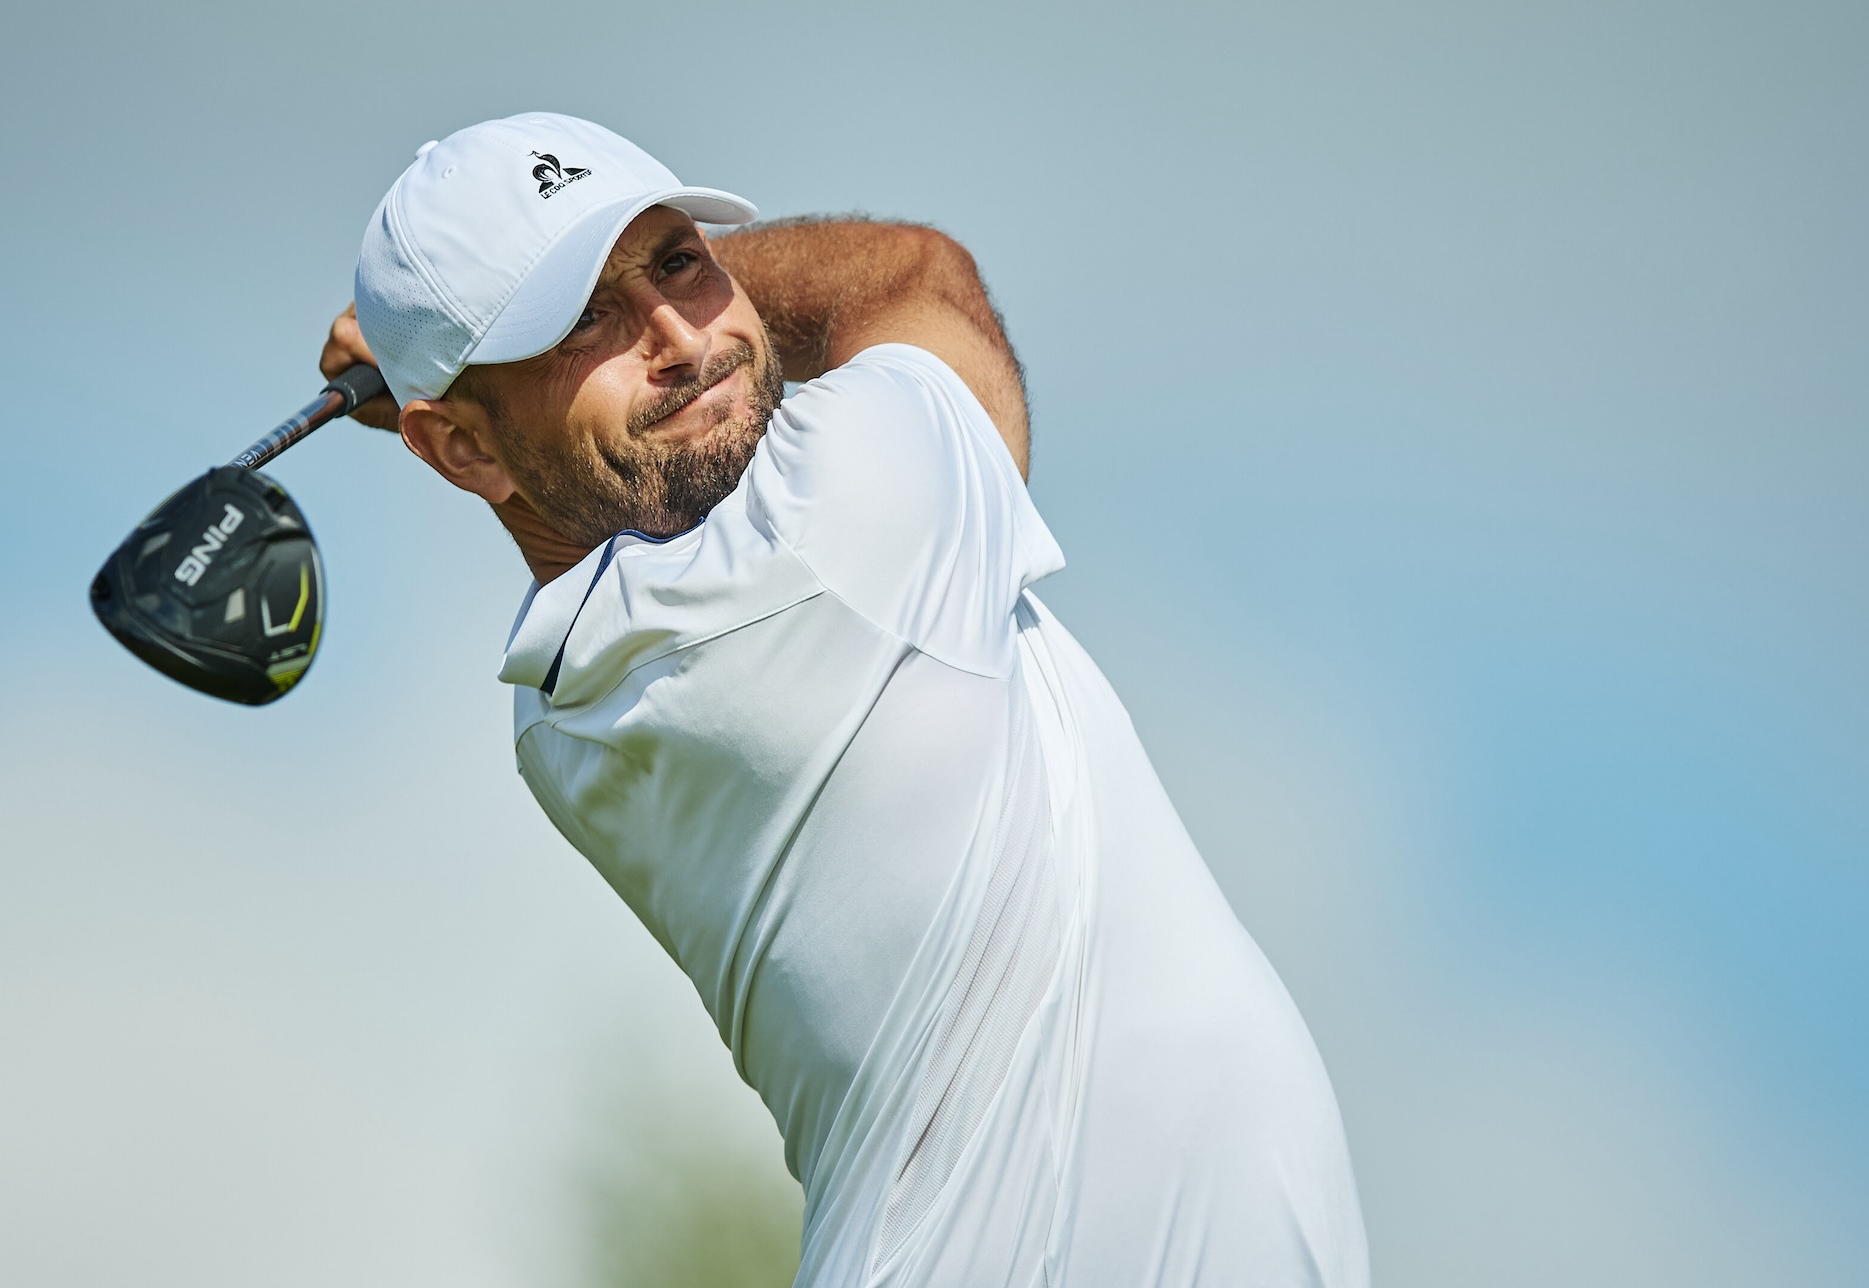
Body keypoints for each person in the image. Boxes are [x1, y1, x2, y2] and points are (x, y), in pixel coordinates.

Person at [321, 111, 1368, 1287]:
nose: (679, 336)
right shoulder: (833, 530)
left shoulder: (556, 716)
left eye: (677, 261)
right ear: (458, 449)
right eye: (581, 321)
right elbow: (919, 276)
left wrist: (460, 375)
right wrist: (451, 368)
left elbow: (559, 487)